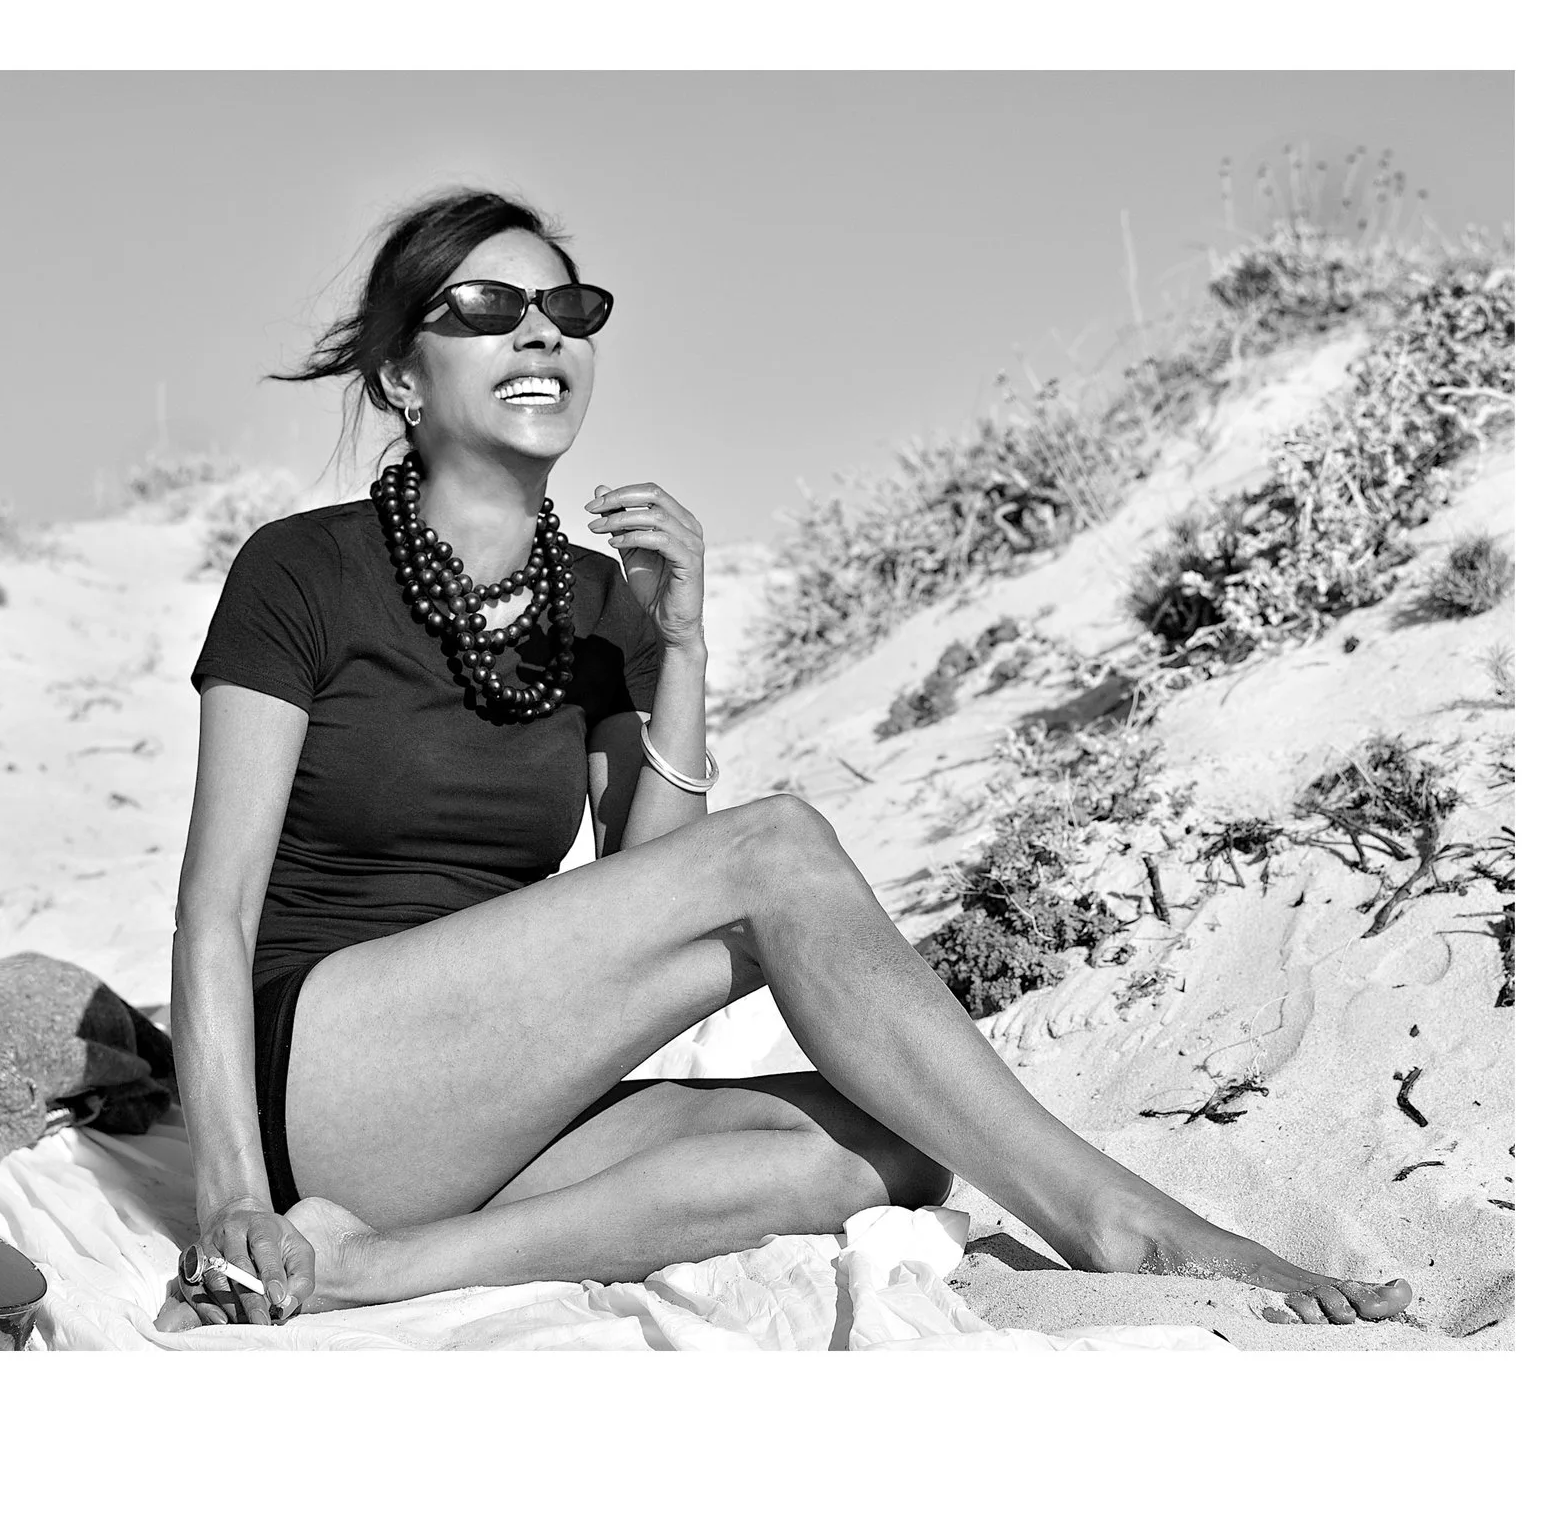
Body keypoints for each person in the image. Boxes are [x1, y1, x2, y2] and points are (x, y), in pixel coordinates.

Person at [165, 187, 1413, 1332]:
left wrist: (684, 647)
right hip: (330, 1075)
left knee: (889, 1150)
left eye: (567, 309)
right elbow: (214, 912)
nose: (539, 334)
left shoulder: (602, 602)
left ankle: (371, 1266)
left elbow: (640, 897)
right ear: (399, 373)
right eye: (488, 309)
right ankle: (1125, 1222)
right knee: (776, 847)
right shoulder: (302, 571)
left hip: (484, 1104)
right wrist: (229, 1195)